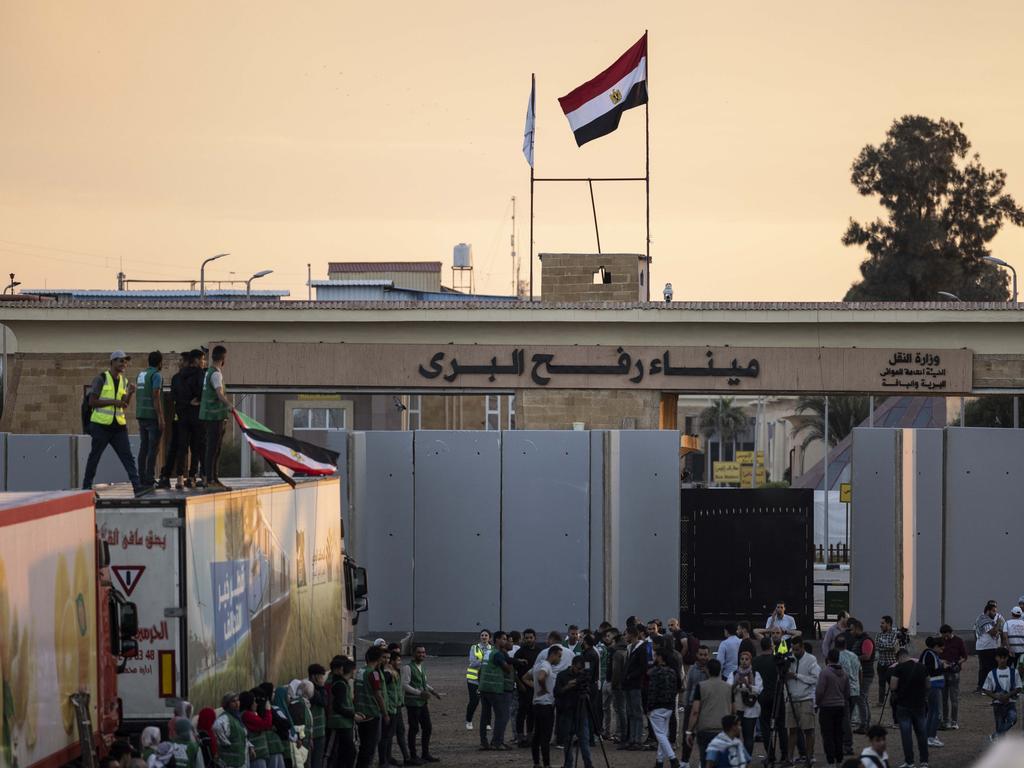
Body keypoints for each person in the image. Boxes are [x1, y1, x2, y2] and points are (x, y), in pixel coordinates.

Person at [82, 350, 142, 493]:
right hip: (101, 426)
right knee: (95, 457)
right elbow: (92, 401)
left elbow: (123, 405)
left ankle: (137, 487)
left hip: (118, 426)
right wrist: (113, 402)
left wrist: (130, 394)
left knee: (127, 457)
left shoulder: (124, 381)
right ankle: (85, 487)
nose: (124, 364)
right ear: (113, 362)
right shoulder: (101, 378)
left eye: (125, 361)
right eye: (121, 361)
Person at [198, 344, 233, 490]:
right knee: (213, 449)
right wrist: (229, 405)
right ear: (223, 358)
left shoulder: (209, 372)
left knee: (212, 448)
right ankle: (211, 480)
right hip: (215, 418)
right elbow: (219, 394)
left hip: (208, 416)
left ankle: (212, 478)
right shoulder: (216, 374)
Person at [686, 658, 732, 765]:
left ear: (707, 670)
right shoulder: (728, 687)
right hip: (723, 730)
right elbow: (733, 710)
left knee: (706, 760)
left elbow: (695, 711)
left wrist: (689, 731)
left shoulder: (701, 686)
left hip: (705, 729)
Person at [888, 648, 929, 768]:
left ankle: (910, 762)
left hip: (904, 705)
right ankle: (924, 761)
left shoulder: (898, 668)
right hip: (920, 704)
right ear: (908, 655)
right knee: (922, 733)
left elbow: (893, 686)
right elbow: (928, 684)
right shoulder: (922, 667)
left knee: (906, 735)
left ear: (898, 658)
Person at [403, 644, 440, 764]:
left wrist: (432, 691)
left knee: (427, 728)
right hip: (413, 703)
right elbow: (404, 685)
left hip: (422, 702)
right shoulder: (408, 668)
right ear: (413, 654)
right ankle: (413, 755)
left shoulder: (421, 667)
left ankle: (425, 753)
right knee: (413, 729)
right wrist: (419, 693)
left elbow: (424, 682)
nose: (422, 654)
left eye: (423, 652)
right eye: (419, 652)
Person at [784, 638, 820, 766]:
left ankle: (809, 758)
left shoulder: (811, 660)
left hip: (806, 699)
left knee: (808, 730)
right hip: (792, 699)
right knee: (792, 730)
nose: (795, 652)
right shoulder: (789, 659)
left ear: (803, 647)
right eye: (793, 649)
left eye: (797, 649)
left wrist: (796, 676)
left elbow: (816, 679)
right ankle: (789, 758)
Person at [525, 643, 560, 768]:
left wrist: (536, 688)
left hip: (536, 704)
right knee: (545, 737)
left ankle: (536, 763)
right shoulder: (546, 666)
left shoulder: (537, 665)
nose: (560, 659)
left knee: (537, 735)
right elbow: (541, 677)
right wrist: (544, 689)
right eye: (559, 656)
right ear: (553, 654)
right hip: (546, 705)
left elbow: (525, 677)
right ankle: (547, 764)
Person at [554, 656, 593, 768]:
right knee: (568, 740)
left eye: (582, 670)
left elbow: (588, 690)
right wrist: (568, 686)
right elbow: (556, 692)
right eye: (578, 669)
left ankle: (588, 764)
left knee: (584, 740)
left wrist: (587, 691)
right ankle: (568, 764)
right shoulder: (562, 675)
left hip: (582, 712)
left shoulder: (584, 676)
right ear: (573, 665)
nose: (580, 672)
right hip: (568, 711)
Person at [478, 630, 513, 750]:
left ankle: (484, 742)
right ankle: (497, 742)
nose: (505, 641)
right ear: (497, 640)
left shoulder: (488, 652)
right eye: (503, 639)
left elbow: (480, 671)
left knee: (485, 716)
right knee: (501, 715)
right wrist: (512, 664)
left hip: (484, 688)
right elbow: (507, 669)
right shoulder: (498, 654)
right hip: (494, 688)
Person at [646, 646, 680, 768]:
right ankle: (659, 761)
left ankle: (673, 758)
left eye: (655, 655)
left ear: (660, 657)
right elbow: (675, 689)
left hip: (657, 706)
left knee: (660, 735)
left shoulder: (655, 672)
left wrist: (649, 707)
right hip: (669, 707)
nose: (654, 657)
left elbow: (652, 691)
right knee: (663, 734)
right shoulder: (673, 671)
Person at [135, 350, 164, 489]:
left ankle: (141, 477)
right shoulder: (156, 375)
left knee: (144, 447)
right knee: (153, 448)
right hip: (152, 416)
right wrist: (160, 417)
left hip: (141, 414)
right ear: (160, 363)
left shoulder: (141, 375)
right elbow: (155, 395)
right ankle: (149, 478)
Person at [816, 648, 850, 767]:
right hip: (840, 707)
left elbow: (820, 691)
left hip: (826, 707)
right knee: (838, 734)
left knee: (828, 735)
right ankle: (839, 760)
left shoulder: (825, 673)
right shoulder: (844, 674)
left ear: (828, 659)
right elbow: (847, 693)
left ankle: (830, 761)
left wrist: (818, 702)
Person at [355, 647, 386, 768]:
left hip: (360, 712)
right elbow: (378, 695)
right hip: (371, 713)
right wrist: (385, 713)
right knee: (370, 747)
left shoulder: (360, 671)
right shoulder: (374, 673)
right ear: (378, 659)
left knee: (364, 746)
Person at [727, 649, 762, 756]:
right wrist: (735, 684)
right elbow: (728, 691)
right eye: (742, 659)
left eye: (746, 659)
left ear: (750, 661)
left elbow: (759, 690)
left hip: (750, 710)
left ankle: (747, 760)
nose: (744, 661)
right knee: (734, 736)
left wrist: (748, 685)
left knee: (748, 737)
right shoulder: (733, 674)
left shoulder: (756, 674)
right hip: (737, 709)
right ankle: (736, 759)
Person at [681, 645, 710, 764]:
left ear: (708, 655)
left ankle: (702, 762)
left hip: (707, 706)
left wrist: (708, 673)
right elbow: (688, 688)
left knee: (704, 736)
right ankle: (684, 761)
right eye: (701, 654)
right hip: (691, 704)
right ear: (697, 655)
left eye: (705, 654)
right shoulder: (693, 669)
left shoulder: (712, 668)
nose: (703, 657)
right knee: (688, 733)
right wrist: (686, 703)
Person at [982, 646, 1020, 738]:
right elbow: (986, 689)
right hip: (997, 704)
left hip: (1010, 702)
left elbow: (1018, 688)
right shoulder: (991, 673)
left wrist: (1007, 696)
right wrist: (997, 697)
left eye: (1004, 657)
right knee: (1000, 724)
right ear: (996, 658)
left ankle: (996, 735)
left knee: (1013, 719)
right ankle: (999, 740)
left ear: (1007, 658)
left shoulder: (1014, 672)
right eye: (1000, 657)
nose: (1002, 660)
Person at [325, 656, 356, 768]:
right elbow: (338, 706)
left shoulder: (341, 683)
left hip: (344, 722)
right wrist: (353, 714)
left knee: (344, 752)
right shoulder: (339, 684)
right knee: (343, 753)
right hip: (339, 723)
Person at [379, 651, 408, 768]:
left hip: (395, 707)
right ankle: (384, 761)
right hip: (390, 708)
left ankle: (388, 759)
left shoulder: (392, 672)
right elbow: (384, 692)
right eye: (384, 658)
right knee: (386, 736)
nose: (386, 660)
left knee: (390, 735)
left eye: (388, 658)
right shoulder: (386, 673)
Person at [620, 625, 647, 751]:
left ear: (632, 635)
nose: (625, 637)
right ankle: (632, 739)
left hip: (635, 684)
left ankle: (637, 740)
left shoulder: (641, 648)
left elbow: (643, 667)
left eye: (626, 634)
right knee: (631, 712)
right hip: (629, 684)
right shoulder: (631, 648)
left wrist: (630, 676)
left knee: (636, 712)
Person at [514, 628, 541, 747]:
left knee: (532, 712)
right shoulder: (519, 652)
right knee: (521, 712)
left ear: (535, 638)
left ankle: (530, 736)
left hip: (535, 687)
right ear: (523, 638)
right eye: (526, 638)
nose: (529, 640)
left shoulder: (540, 652)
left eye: (531, 637)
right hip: (523, 688)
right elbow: (513, 671)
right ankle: (520, 737)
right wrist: (519, 684)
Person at [847, 618, 875, 729]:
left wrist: (853, 658)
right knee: (861, 698)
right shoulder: (859, 640)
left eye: (852, 630)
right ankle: (865, 723)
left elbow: (867, 656)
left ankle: (865, 724)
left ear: (858, 629)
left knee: (861, 697)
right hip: (860, 673)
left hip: (865, 674)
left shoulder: (866, 640)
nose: (851, 632)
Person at [938, 624, 966, 731]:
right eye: (943, 635)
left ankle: (954, 721)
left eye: (946, 635)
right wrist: (942, 662)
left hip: (954, 673)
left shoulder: (958, 641)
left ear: (950, 632)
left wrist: (957, 663)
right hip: (943, 672)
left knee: (954, 699)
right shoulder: (940, 641)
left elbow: (964, 656)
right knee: (944, 699)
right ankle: (946, 720)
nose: (945, 637)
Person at [836, 635, 862, 752]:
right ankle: (845, 743)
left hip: (844, 691)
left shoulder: (837, 657)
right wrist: (858, 686)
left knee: (844, 719)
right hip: (855, 690)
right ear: (846, 644)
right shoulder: (854, 655)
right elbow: (860, 671)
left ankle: (846, 744)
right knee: (848, 717)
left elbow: (841, 676)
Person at [919, 636, 945, 747]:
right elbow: (931, 670)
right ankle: (931, 736)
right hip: (933, 686)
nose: (942, 651)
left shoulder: (928, 654)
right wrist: (944, 667)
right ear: (935, 646)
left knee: (931, 712)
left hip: (933, 686)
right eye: (941, 649)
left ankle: (928, 735)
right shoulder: (930, 655)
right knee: (936, 713)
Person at [975, 600, 1005, 691]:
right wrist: (998, 624)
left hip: (995, 646)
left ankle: (990, 686)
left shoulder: (998, 617)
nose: (995, 613)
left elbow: (1004, 630)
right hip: (984, 647)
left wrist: (1003, 643)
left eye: (996, 610)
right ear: (988, 610)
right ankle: (982, 687)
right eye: (993, 611)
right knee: (985, 668)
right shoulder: (982, 618)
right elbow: (993, 632)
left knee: (993, 667)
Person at [465, 629, 492, 730]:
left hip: (486, 679)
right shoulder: (474, 648)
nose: (484, 637)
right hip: (473, 679)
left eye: (486, 635)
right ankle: (468, 721)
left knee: (487, 702)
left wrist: (479, 661)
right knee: (474, 701)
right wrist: (484, 660)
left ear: (489, 637)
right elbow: (472, 663)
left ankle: (488, 723)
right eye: (482, 635)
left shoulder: (492, 649)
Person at [874, 616, 902, 710]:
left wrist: (884, 646)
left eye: (883, 623)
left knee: (893, 684)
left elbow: (893, 646)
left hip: (891, 664)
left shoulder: (894, 635)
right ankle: (881, 702)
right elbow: (877, 646)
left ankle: (893, 701)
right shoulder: (878, 635)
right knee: (881, 683)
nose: (880, 625)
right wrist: (887, 646)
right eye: (881, 623)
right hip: (881, 663)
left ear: (888, 624)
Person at [212, 693, 247, 768]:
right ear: (227, 704)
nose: (237, 703)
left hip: (239, 762)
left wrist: (250, 746)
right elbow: (216, 727)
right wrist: (225, 743)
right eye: (233, 701)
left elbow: (242, 735)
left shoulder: (236, 718)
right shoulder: (225, 717)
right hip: (228, 763)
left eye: (238, 700)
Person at [240, 690, 273, 768]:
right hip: (256, 754)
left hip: (258, 753)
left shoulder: (249, 714)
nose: (256, 704)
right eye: (254, 701)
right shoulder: (247, 715)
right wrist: (268, 710)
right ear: (249, 703)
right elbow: (266, 724)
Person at [307, 664, 328, 768]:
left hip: (319, 732)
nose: (322, 679)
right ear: (314, 677)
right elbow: (323, 702)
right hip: (313, 734)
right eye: (321, 677)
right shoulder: (311, 691)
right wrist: (321, 687)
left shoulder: (318, 690)